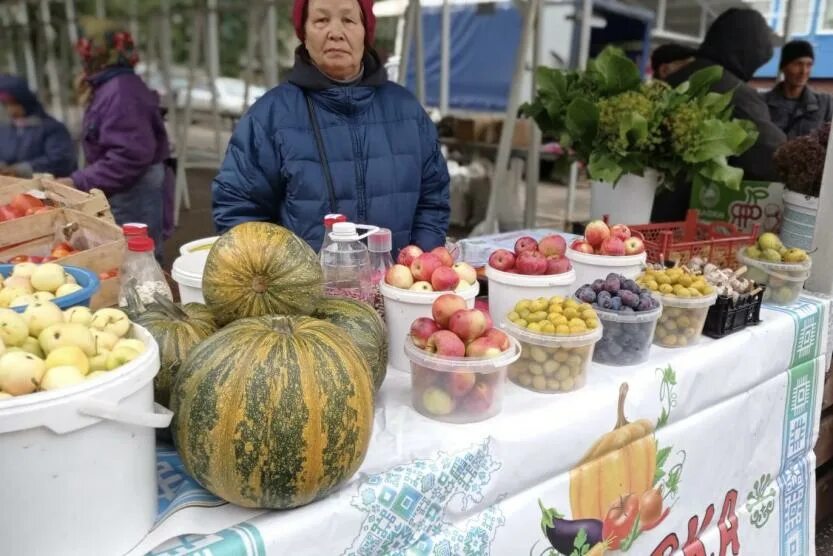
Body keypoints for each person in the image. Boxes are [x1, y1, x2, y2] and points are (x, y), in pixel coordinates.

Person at [211, 0, 450, 255]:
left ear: (365, 32)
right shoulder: (269, 116)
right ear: (304, 34)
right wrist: (283, 272)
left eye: (348, 20)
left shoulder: (407, 112)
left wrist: (417, 262)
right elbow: (238, 209)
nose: (335, 33)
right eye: (321, 20)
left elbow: (433, 200)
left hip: (395, 279)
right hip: (301, 281)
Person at [651, 8, 786, 223]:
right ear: (747, 53)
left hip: (648, 210)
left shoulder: (672, 81)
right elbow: (771, 157)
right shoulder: (737, 94)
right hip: (695, 219)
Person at [59, 19, 174, 261]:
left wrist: (77, 180)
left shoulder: (121, 90)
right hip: (127, 189)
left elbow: (128, 155)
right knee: (131, 260)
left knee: (135, 262)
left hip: (133, 193)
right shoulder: (112, 85)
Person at [0, 75, 76, 178]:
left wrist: (21, 170)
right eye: (5, 104)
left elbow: (61, 160)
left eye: (13, 104)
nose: (10, 110)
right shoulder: (6, 130)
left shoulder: (52, 128)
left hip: (47, 184)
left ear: (24, 101)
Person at [764, 40, 833, 138]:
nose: (804, 71)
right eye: (798, 64)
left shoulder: (825, 103)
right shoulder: (763, 102)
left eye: (809, 65)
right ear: (783, 67)